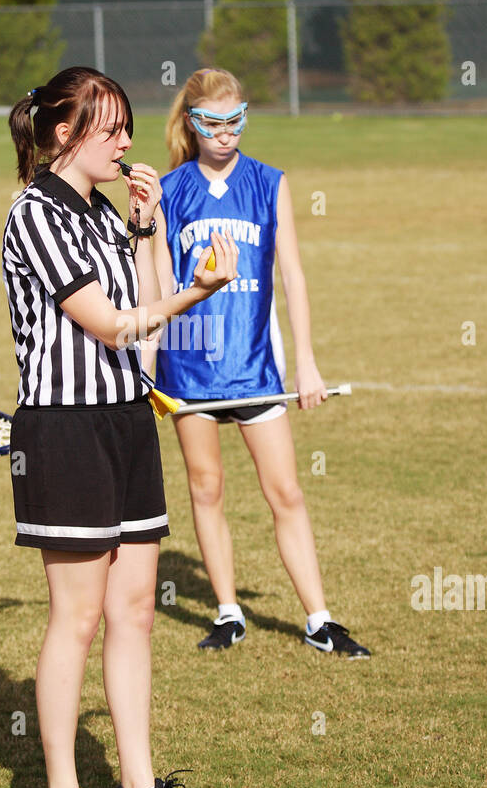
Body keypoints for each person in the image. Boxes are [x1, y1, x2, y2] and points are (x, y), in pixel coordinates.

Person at [2, 66, 238, 788]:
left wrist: (149, 228)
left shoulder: (104, 215)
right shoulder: (35, 214)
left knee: (134, 610)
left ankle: (139, 787)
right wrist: (197, 293)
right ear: (65, 135)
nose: (129, 142)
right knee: (75, 618)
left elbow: (151, 321)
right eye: (112, 129)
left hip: (126, 421)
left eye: (128, 127)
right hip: (65, 432)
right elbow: (108, 325)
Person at [146, 66, 371, 659]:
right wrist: (145, 366)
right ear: (192, 124)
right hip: (189, 368)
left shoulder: (270, 182)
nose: (226, 133)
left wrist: (308, 364)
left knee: (286, 492)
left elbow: (291, 275)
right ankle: (227, 612)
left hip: (255, 365)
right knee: (207, 487)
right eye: (213, 123)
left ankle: (319, 619)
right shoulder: (169, 189)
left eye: (236, 120)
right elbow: (160, 288)